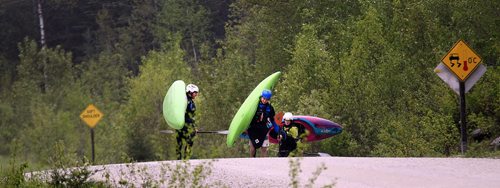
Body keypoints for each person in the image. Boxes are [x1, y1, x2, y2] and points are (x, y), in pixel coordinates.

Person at [246, 89, 280, 157]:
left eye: (267, 99)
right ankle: (251, 162)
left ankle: (263, 164)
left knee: (264, 149)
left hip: (264, 130)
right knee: (252, 148)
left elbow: (273, 120)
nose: (264, 100)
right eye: (263, 98)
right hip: (254, 129)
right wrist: (244, 127)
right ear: (261, 97)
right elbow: (247, 116)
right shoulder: (255, 105)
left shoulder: (270, 108)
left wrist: (278, 132)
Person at [176, 83, 199, 160]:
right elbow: (189, 116)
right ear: (190, 92)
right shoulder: (187, 102)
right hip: (185, 125)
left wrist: (194, 127)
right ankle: (185, 159)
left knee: (180, 143)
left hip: (182, 125)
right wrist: (193, 127)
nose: (196, 94)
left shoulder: (189, 101)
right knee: (189, 142)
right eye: (195, 92)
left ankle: (180, 159)